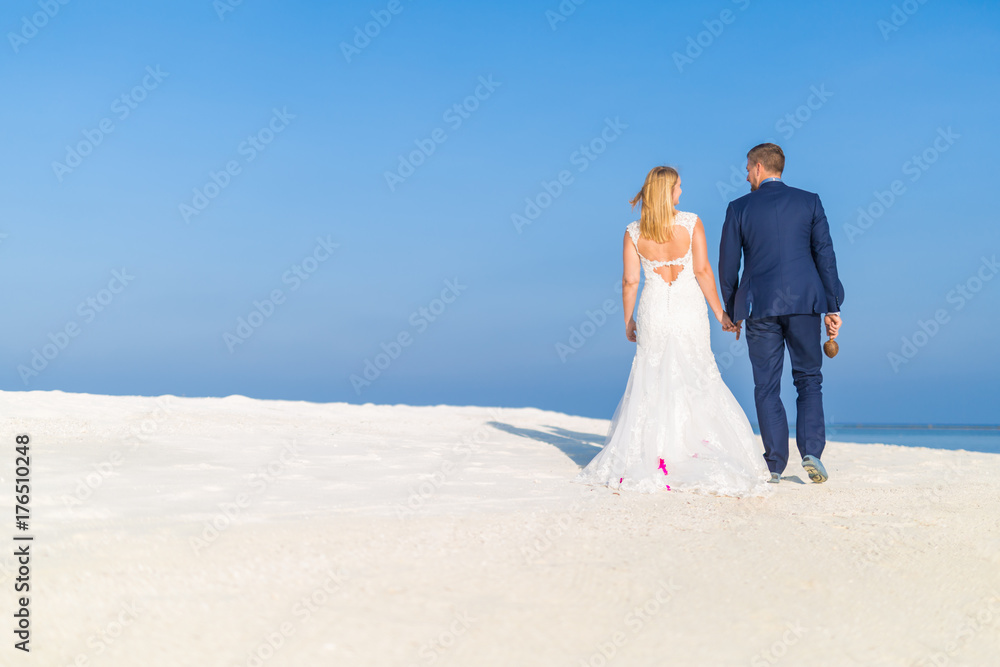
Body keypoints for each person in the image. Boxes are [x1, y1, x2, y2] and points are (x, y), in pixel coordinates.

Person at [575, 166, 771, 497]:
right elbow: (702, 270)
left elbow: (630, 281)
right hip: (687, 308)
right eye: (678, 186)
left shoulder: (633, 232)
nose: (682, 190)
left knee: (651, 376)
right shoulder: (691, 223)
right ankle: (695, 447)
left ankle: (655, 452)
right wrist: (721, 313)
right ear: (667, 192)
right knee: (697, 371)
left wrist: (628, 320)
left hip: (653, 308)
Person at [719, 143, 845, 484]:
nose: (746, 175)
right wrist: (833, 305)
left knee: (766, 385)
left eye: (748, 168)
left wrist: (732, 310)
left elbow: (728, 265)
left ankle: (774, 463)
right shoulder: (810, 202)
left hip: (759, 307)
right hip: (805, 304)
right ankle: (811, 452)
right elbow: (825, 255)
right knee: (809, 379)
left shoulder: (738, 207)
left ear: (759, 167)